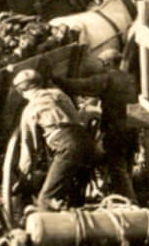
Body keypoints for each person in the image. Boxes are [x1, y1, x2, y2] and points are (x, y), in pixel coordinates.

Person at [14, 67, 98, 211]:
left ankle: (44, 230)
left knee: (45, 199)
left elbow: (30, 149)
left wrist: (23, 179)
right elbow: (76, 119)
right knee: (75, 199)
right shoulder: (59, 94)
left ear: (21, 91)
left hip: (67, 148)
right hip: (88, 143)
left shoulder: (30, 110)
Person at [51, 67, 140, 201]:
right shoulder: (130, 77)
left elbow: (81, 86)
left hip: (115, 128)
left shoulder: (108, 78)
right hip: (131, 127)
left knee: (116, 167)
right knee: (126, 165)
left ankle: (129, 201)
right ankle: (126, 196)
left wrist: (56, 79)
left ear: (107, 63)